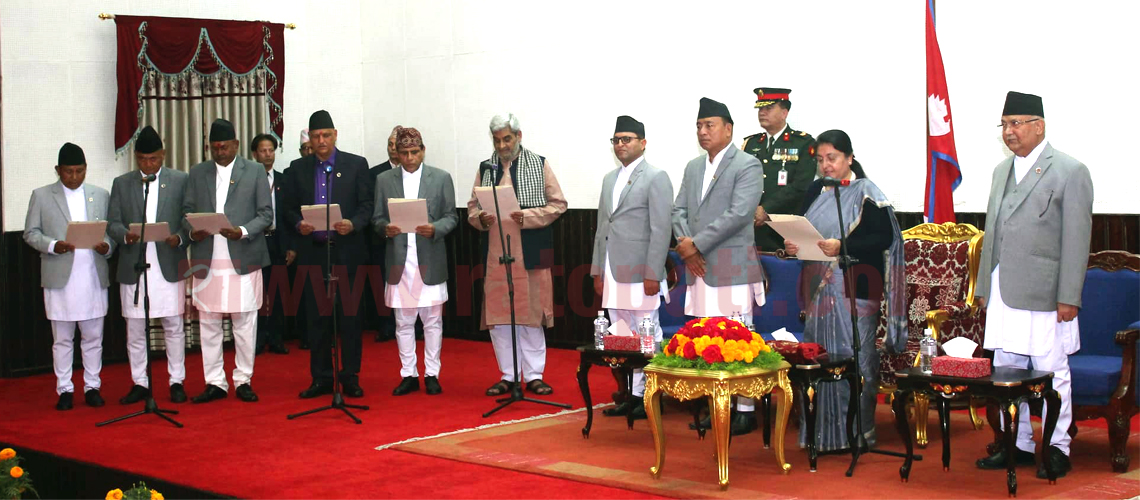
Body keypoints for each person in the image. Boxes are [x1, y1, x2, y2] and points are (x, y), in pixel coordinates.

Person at [973, 91, 1093, 479]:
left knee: (1051, 370)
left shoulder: (1070, 171)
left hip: (1045, 293)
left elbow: (1076, 240)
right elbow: (991, 235)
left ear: (1038, 126)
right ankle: (1018, 443)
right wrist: (982, 289)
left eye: (1016, 124)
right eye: (1004, 125)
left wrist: (1068, 296)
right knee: (1008, 370)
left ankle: (1056, 447)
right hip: (1003, 290)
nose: (1009, 132)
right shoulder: (1000, 171)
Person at [784, 129, 906, 452]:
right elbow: (807, 230)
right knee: (818, 359)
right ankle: (822, 435)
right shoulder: (814, 192)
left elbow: (883, 239)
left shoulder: (867, 193)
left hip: (857, 286)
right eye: (821, 160)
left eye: (832, 159)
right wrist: (793, 244)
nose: (826, 166)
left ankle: (859, 434)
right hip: (817, 287)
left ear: (849, 158)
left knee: (858, 358)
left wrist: (843, 245)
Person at [673, 98, 765, 435]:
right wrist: (687, 247)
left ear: (728, 129)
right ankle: (718, 402)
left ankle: (744, 408)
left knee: (737, 335)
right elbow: (678, 210)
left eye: (709, 125)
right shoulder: (693, 167)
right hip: (697, 266)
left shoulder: (748, 164)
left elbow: (740, 214)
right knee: (705, 336)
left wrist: (695, 244)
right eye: (699, 126)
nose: (702, 131)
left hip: (732, 266)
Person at [467, 113, 567, 397]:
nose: (502, 146)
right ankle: (508, 375)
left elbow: (559, 204)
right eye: (497, 140)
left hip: (530, 251)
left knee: (531, 314)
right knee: (499, 317)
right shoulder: (486, 168)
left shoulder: (539, 163)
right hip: (496, 252)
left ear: (518, 136)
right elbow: (472, 207)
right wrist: (479, 219)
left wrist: (528, 216)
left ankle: (534, 375)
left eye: (507, 139)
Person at [283, 110, 374, 399]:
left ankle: (350, 377)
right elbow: (286, 209)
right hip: (313, 254)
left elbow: (367, 205)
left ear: (335, 135)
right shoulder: (296, 169)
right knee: (317, 320)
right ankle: (321, 378)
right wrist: (299, 224)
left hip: (347, 253)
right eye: (315, 136)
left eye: (326, 135)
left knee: (349, 318)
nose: (321, 141)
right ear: (309, 139)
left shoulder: (356, 165)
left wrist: (354, 223)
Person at [182, 118, 273, 404]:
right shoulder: (197, 173)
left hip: (242, 255)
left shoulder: (255, 171)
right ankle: (215, 382)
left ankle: (243, 379)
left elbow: (266, 214)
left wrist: (242, 231)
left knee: (244, 321)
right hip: (207, 257)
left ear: (235, 144)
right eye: (214, 147)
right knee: (208, 321)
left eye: (225, 146)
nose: (219, 151)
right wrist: (191, 230)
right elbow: (185, 210)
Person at [592, 116, 673, 420]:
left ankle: (650, 394)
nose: (621, 145)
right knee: (621, 334)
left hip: (641, 271)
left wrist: (654, 271)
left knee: (647, 333)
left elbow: (661, 228)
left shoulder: (656, 176)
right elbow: (602, 227)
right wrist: (597, 270)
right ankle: (629, 393)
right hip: (613, 270)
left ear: (643, 143)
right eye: (616, 140)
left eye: (627, 139)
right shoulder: (609, 179)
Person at [23, 143, 113, 410]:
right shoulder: (41, 196)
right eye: (68, 172)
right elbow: (31, 233)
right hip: (60, 276)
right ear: (57, 170)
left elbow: (109, 234)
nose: (74, 177)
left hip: (92, 276)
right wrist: (53, 245)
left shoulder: (100, 194)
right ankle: (65, 389)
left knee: (93, 336)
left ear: (86, 170)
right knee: (62, 338)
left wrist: (107, 246)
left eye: (80, 171)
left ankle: (92, 386)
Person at [106, 126, 190, 405]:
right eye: (142, 159)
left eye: (153, 159)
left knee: (173, 325)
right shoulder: (122, 183)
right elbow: (113, 222)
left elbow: (189, 218)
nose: (147, 164)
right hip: (134, 263)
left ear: (163, 155)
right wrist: (124, 235)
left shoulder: (180, 180)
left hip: (167, 260)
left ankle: (176, 380)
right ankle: (140, 382)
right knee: (134, 328)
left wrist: (178, 237)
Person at [373, 127, 458, 396]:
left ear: (422, 150)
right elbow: (376, 218)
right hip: (399, 259)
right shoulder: (384, 180)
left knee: (433, 321)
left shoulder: (441, 178)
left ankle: (432, 373)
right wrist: (385, 228)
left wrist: (436, 228)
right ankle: (408, 373)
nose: (409, 158)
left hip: (429, 257)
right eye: (404, 153)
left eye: (414, 152)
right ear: (396, 154)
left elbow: (451, 216)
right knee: (403, 322)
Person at [739, 87, 817, 252]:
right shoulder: (751, 144)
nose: (762, 112)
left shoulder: (803, 143)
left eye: (768, 108)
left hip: (785, 232)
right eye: (760, 108)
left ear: (784, 113)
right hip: (753, 229)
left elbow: (801, 186)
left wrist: (767, 209)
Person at [250, 133, 294, 356]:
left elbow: (288, 215)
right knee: (257, 294)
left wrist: (290, 246)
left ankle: (276, 338)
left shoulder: (283, 179)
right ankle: (257, 340)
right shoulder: (248, 180)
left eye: (271, 150)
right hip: (256, 242)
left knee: (277, 292)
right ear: (254, 154)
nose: (268, 154)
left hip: (278, 241)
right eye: (263, 150)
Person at [367, 126, 403, 343]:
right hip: (383, 239)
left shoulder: (414, 172)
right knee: (383, 283)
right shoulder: (375, 174)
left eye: (395, 145)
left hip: (410, 238)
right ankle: (386, 326)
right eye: (389, 144)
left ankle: (415, 326)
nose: (392, 149)